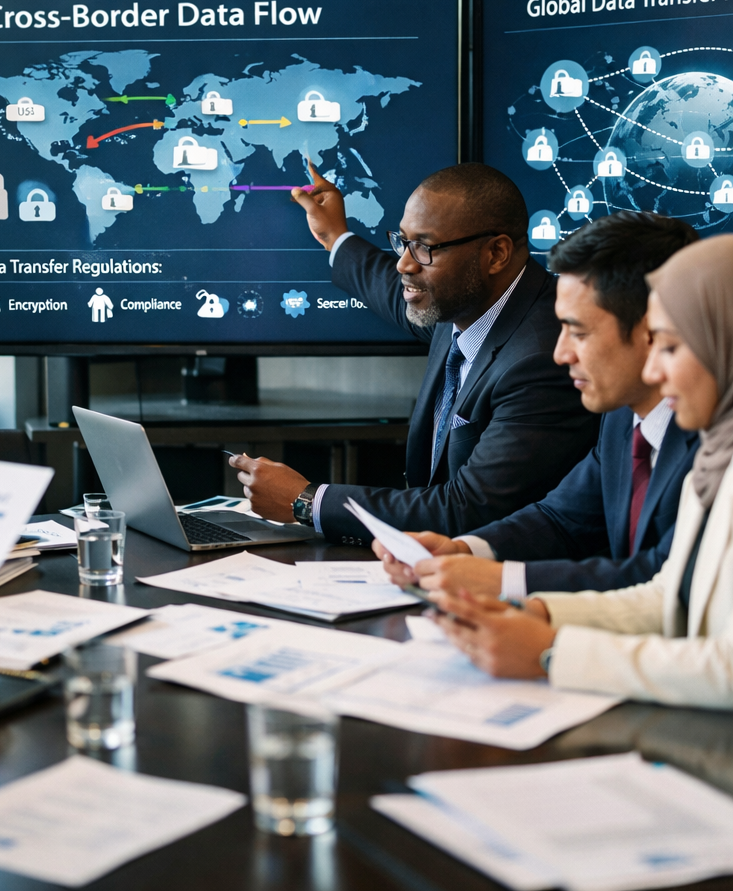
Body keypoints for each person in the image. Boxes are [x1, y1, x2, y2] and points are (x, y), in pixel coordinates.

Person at [423, 235, 733, 709]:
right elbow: (668, 593)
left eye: (669, 346)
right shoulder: (713, 454)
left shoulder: (703, 444)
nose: (655, 370)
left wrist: (551, 653)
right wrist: (536, 611)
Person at [230, 162, 599, 543]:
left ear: (496, 254)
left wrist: (306, 500)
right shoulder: (465, 303)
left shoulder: (543, 358)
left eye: (424, 247)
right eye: (403, 242)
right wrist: (335, 236)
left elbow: (466, 509)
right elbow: (392, 289)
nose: (404, 263)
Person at [382, 212, 700, 599]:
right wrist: (465, 551)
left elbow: (667, 579)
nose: (561, 352)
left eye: (578, 332)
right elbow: (562, 519)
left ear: (654, 331)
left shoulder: (714, 436)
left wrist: (501, 582)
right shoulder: (621, 417)